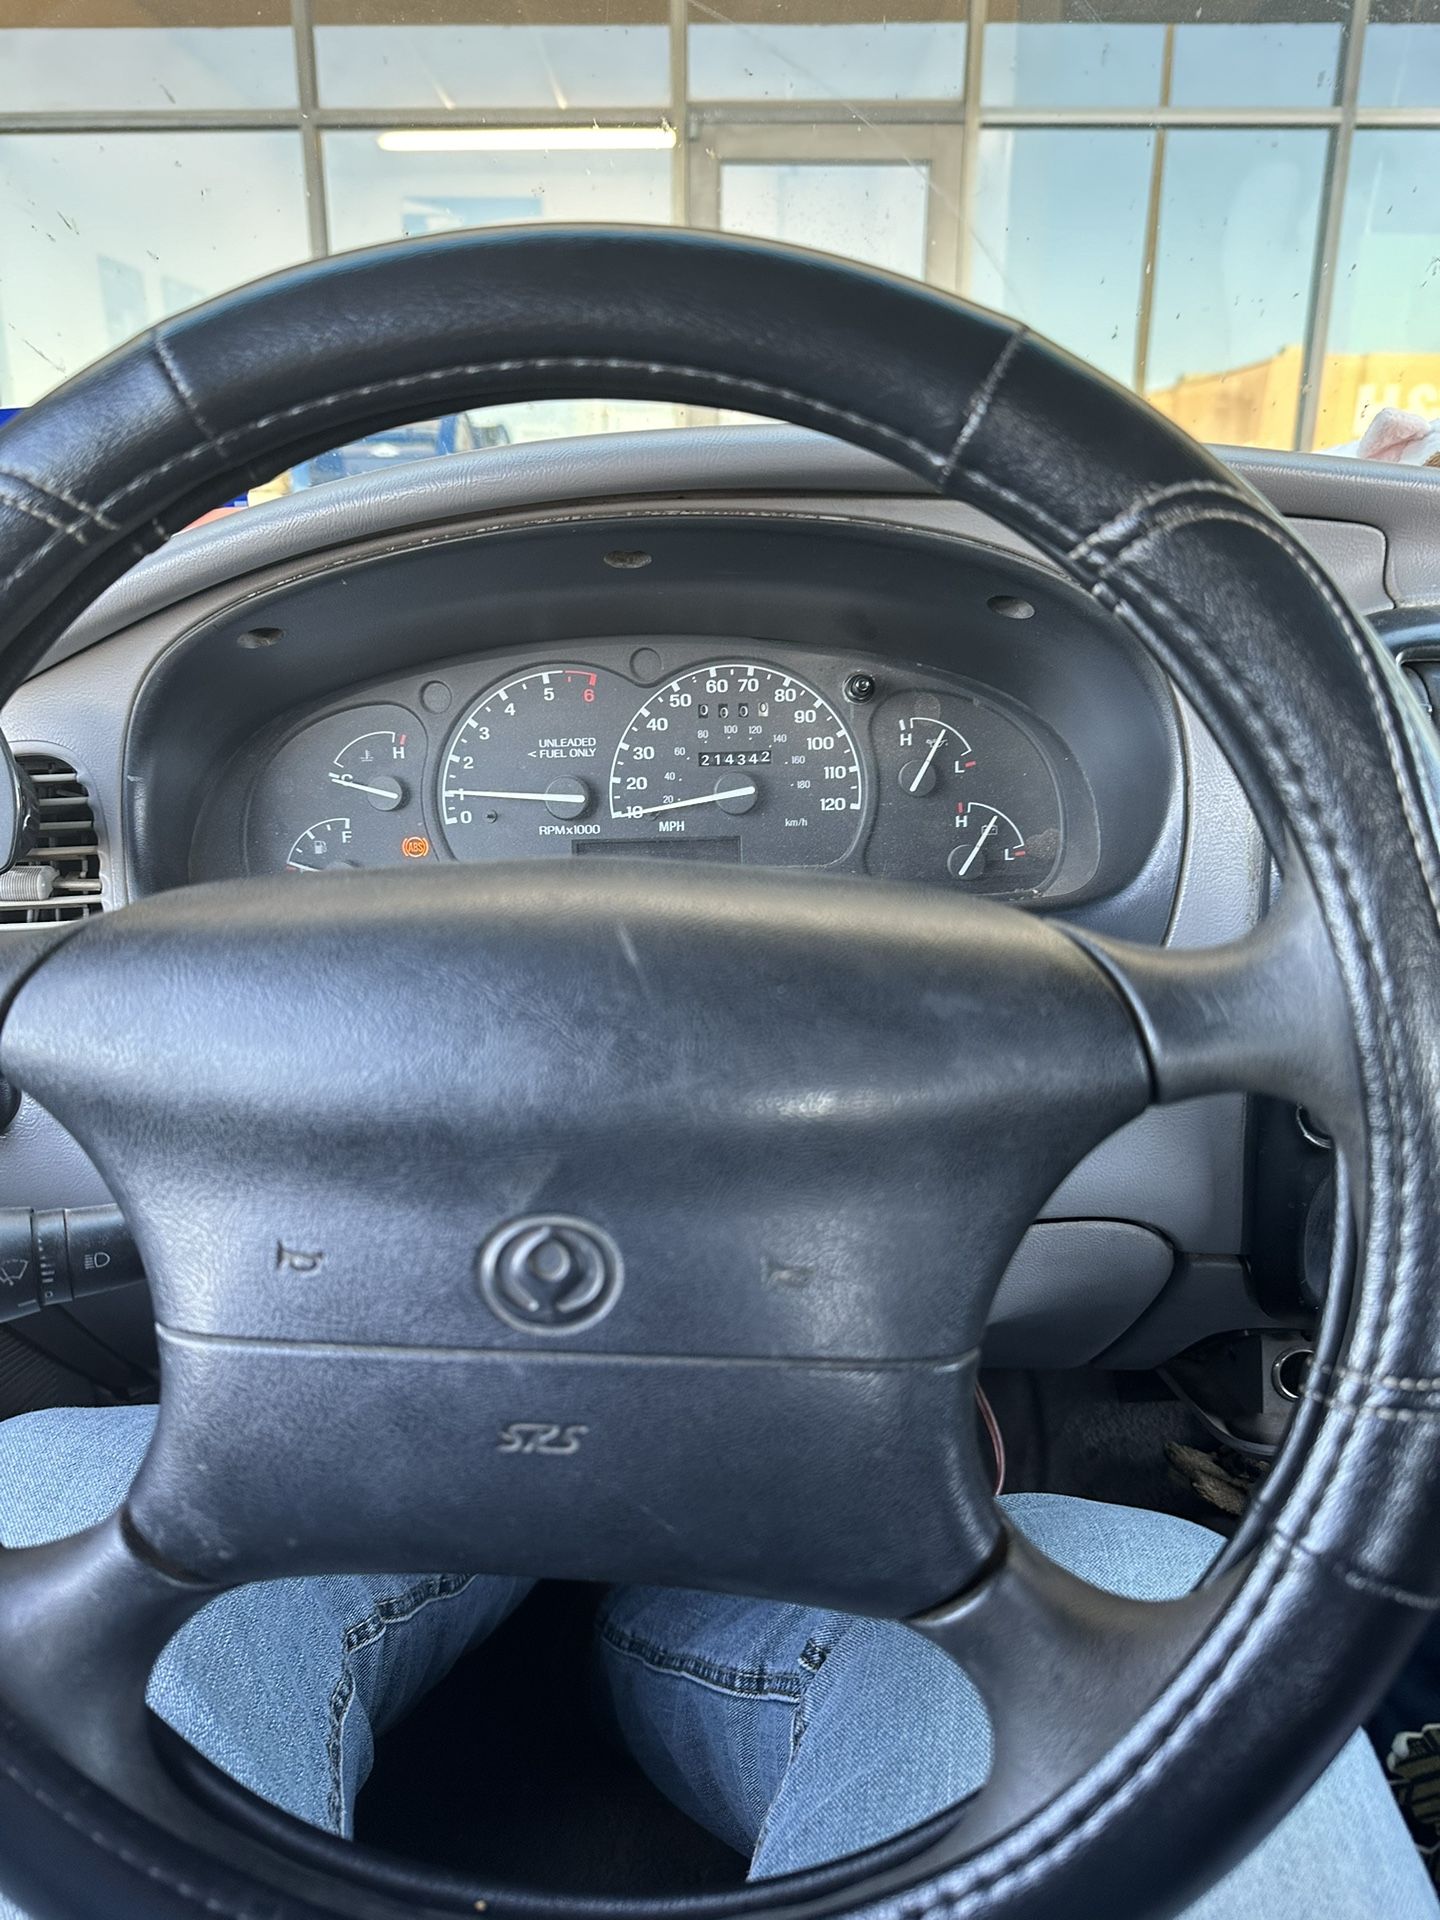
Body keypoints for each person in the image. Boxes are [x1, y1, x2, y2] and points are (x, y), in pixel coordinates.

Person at [0, 1404, 1432, 1918]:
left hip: (376, 1492)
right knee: (1132, 1586)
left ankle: (534, 1550)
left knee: (46, 1490)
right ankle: (648, 1588)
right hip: (812, 1605)